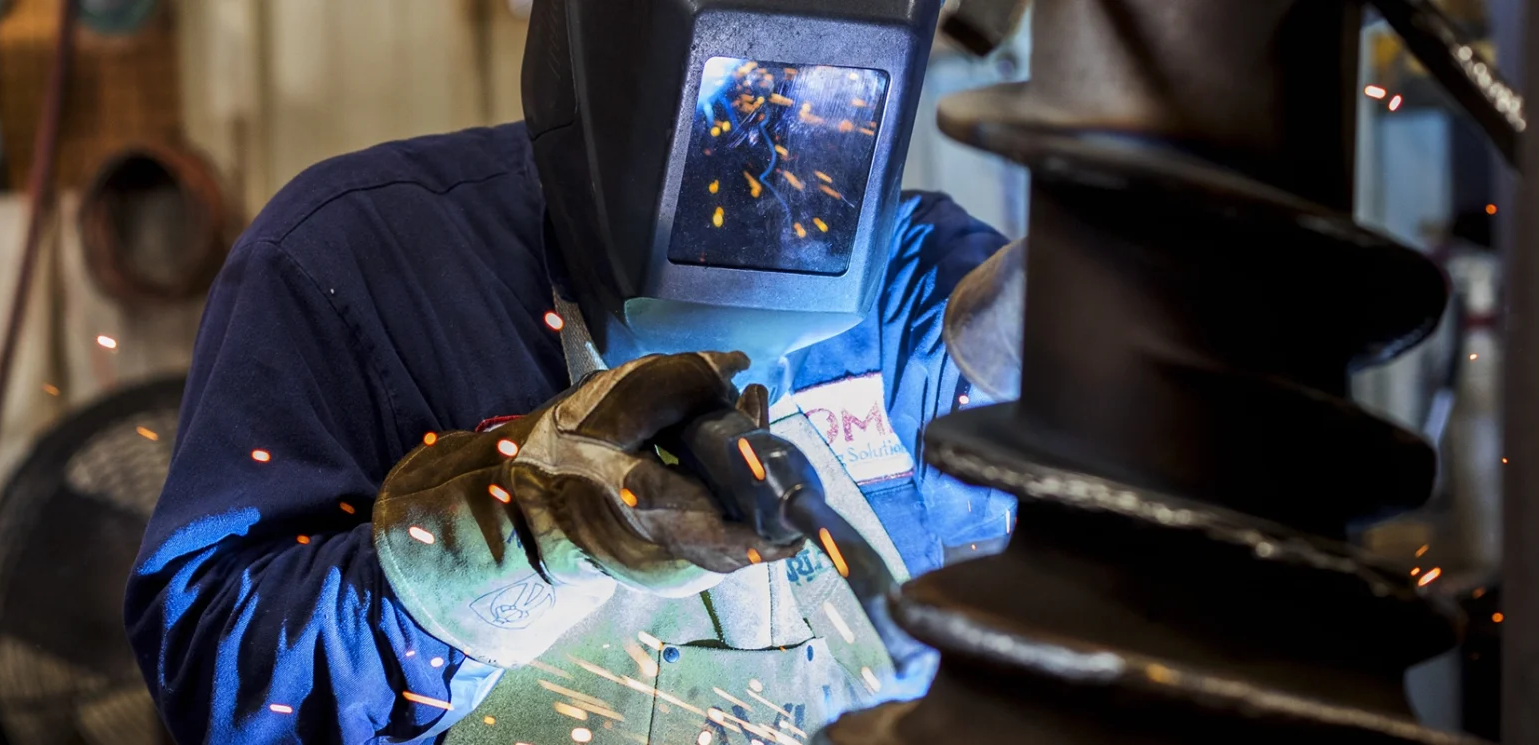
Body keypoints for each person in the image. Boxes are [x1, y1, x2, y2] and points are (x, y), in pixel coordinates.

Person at [122, 1, 1017, 742]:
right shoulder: (355, 260)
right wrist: (525, 531)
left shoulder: (916, 280)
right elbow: (222, 691)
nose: (775, 145)